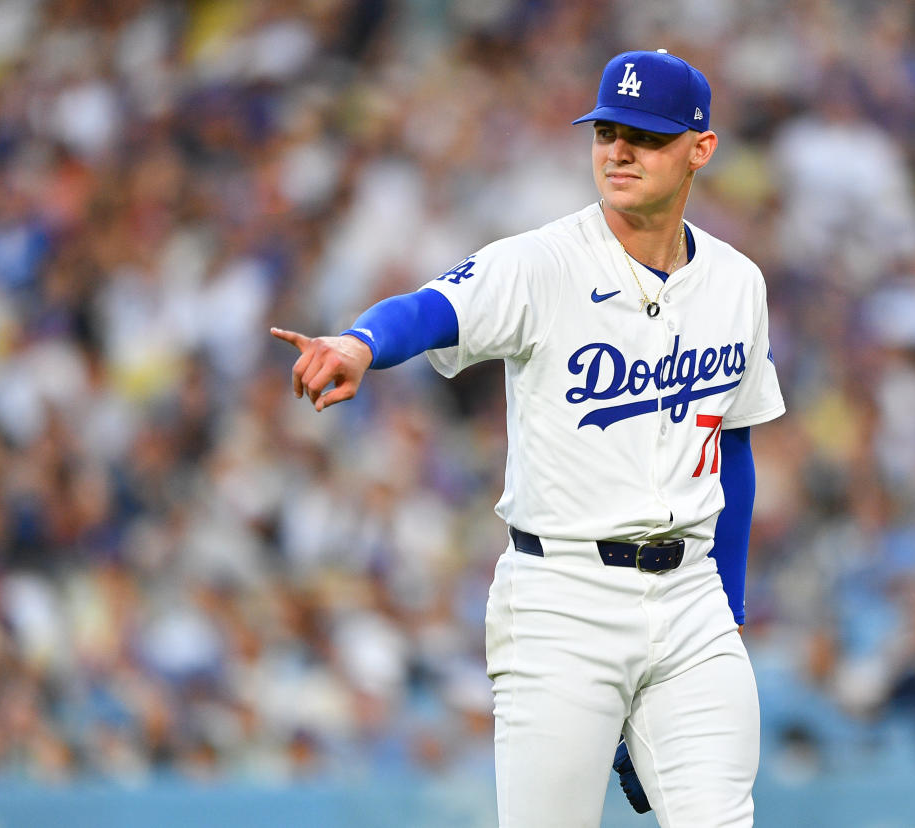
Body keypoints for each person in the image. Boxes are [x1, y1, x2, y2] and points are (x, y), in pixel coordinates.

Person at [272, 49, 785, 827]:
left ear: (700, 149)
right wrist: (358, 344)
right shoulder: (542, 262)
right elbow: (434, 308)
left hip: (692, 604)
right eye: (607, 131)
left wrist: (731, 613)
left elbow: (733, 449)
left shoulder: (738, 282)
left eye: (644, 136)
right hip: (563, 600)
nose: (618, 151)